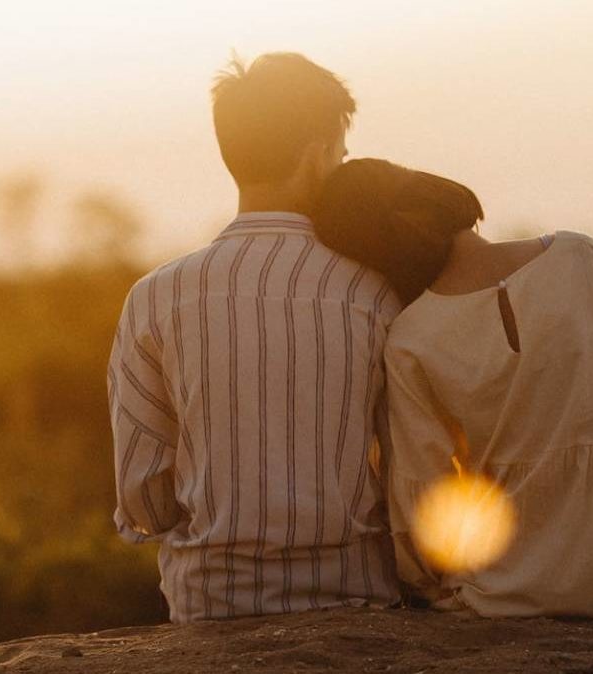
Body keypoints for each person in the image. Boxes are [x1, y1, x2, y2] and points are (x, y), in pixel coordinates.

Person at [310, 158, 593, 625]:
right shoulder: (580, 259)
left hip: (502, 598)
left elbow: (425, 494)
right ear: (432, 191)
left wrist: (427, 585)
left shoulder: (410, 340)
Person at [107, 54, 403, 622]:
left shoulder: (155, 296)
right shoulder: (375, 293)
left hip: (211, 604)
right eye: (340, 154)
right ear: (319, 155)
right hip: (357, 599)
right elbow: (409, 468)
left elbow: (142, 495)